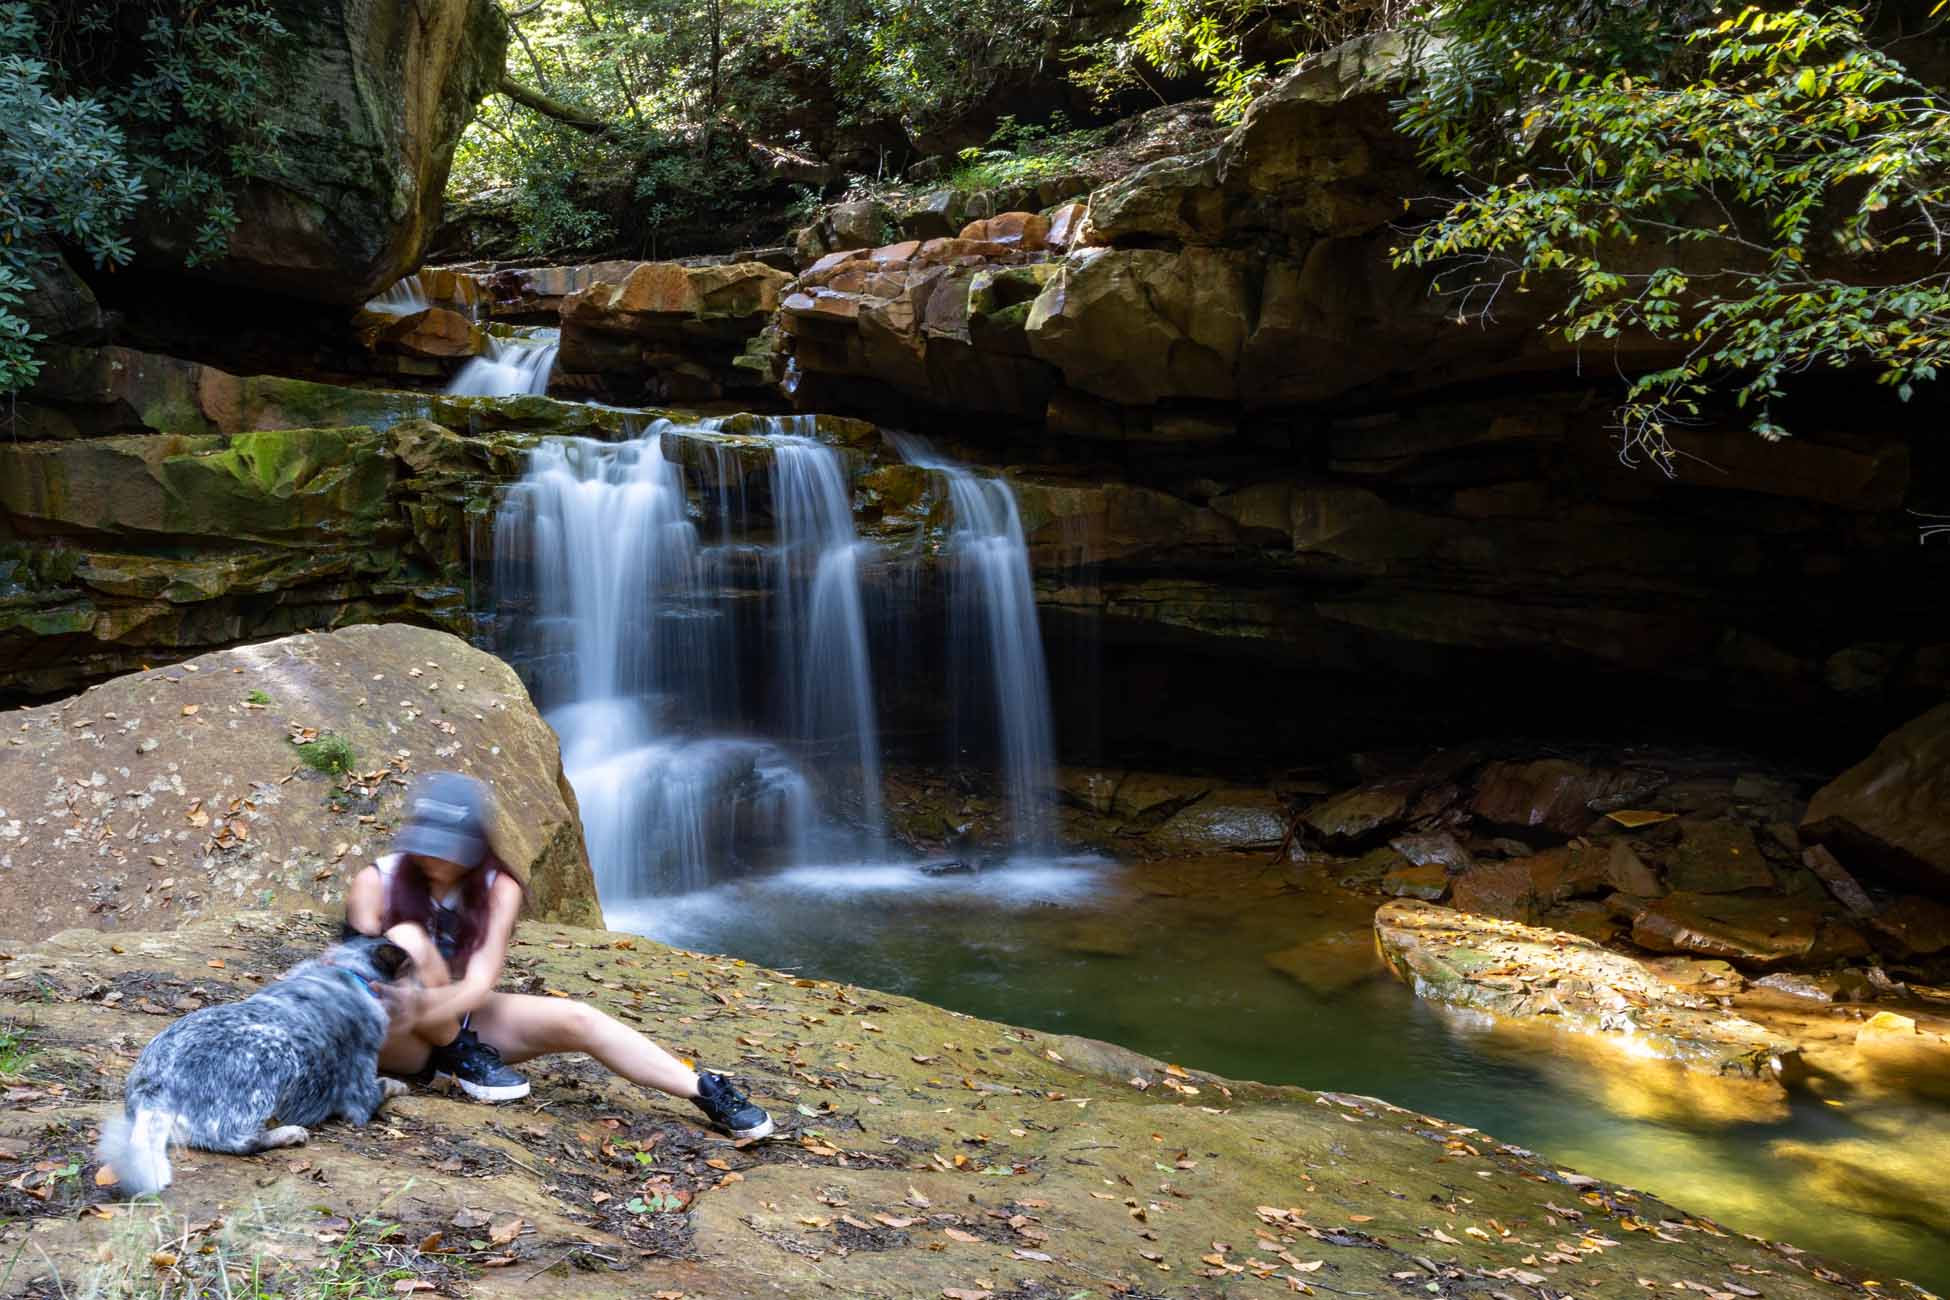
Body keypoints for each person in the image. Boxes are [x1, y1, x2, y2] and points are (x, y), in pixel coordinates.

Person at [342, 770, 773, 1139]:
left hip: (455, 1018)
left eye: (447, 844)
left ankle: (706, 1091)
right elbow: (352, 981)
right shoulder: (376, 881)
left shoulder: (498, 888)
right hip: (384, 1028)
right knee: (408, 939)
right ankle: (459, 1054)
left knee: (579, 1018)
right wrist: (410, 1004)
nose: (434, 855)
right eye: (427, 842)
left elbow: (479, 984)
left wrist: (426, 1006)